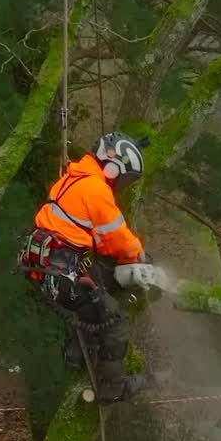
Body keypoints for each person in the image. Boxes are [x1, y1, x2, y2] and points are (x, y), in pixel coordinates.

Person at [20, 132, 150, 403]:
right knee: (114, 320)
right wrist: (139, 256)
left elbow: (98, 242)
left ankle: (76, 355)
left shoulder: (72, 177)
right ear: (114, 167)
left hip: (46, 267)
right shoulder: (96, 190)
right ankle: (112, 389)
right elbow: (118, 240)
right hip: (61, 275)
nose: (121, 184)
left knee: (97, 284)